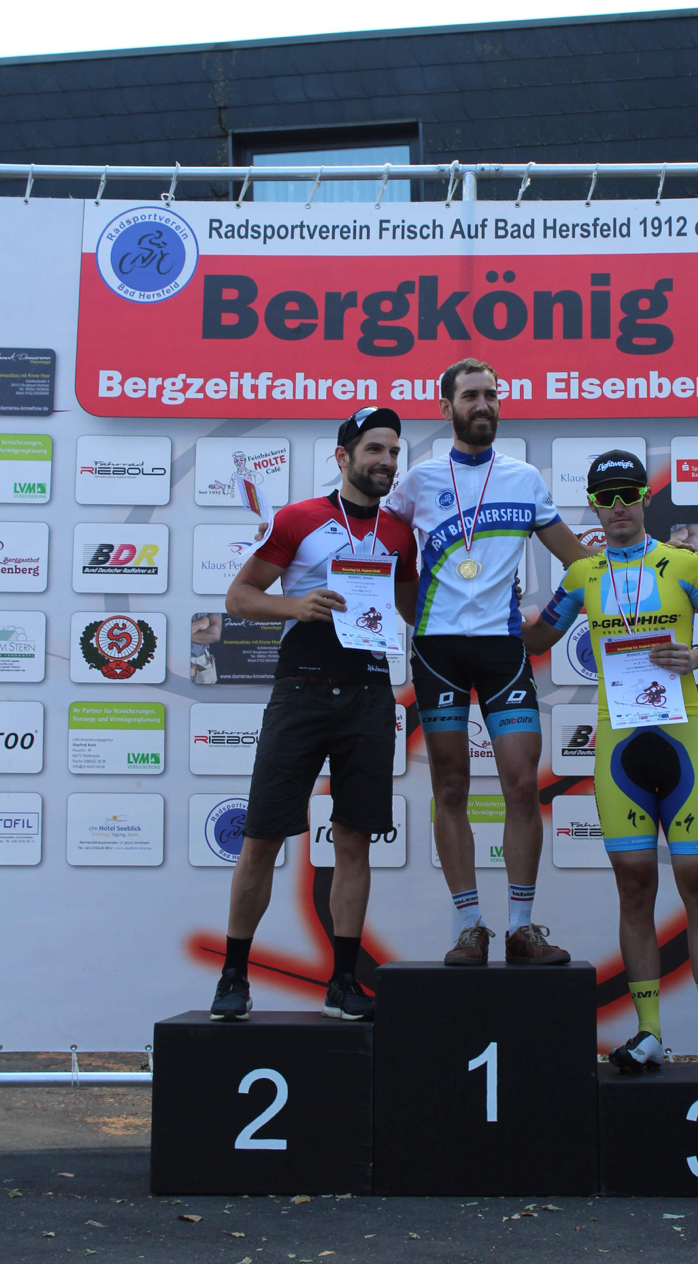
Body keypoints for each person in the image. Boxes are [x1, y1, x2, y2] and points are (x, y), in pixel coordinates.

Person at [522, 449, 698, 1072]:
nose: (618, 507)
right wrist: (487, 607)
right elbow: (538, 639)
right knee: (634, 888)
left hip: (681, 741)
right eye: (605, 498)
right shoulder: (582, 574)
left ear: (646, 497)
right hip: (620, 749)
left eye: (627, 494)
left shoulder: (685, 563)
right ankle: (649, 1032)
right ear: (593, 506)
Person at [209, 406, 418, 1024]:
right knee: (261, 838)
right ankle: (233, 976)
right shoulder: (298, 518)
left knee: (354, 841)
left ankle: (343, 982)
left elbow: (414, 609)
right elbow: (238, 597)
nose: (386, 461)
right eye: (374, 449)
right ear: (343, 456)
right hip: (300, 691)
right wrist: (296, 606)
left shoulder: (400, 532)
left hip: (369, 695)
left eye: (393, 452)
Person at [386, 358, 593, 967]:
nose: (483, 404)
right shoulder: (418, 481)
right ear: (446, 406)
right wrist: (407, 611)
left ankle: (522, 928)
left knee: (522, 785)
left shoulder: (524, 478)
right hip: (438, 651)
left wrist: (548, 627)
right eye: (471, 395)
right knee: (450, 786)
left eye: (491, 395)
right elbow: (381, 552)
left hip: (503, 650)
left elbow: (581, 564)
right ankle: (468, 927)